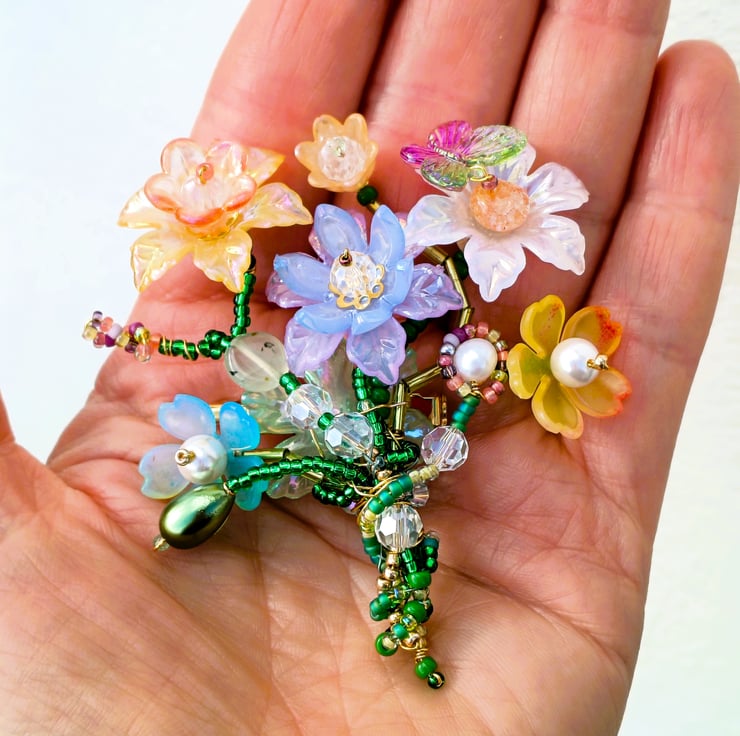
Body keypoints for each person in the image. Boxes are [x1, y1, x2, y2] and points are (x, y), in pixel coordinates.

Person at [0, 1, 737, 733]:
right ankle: (408, 620)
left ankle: (409, 619)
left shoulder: (410, 296)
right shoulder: (320, 319)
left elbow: (409, 367)